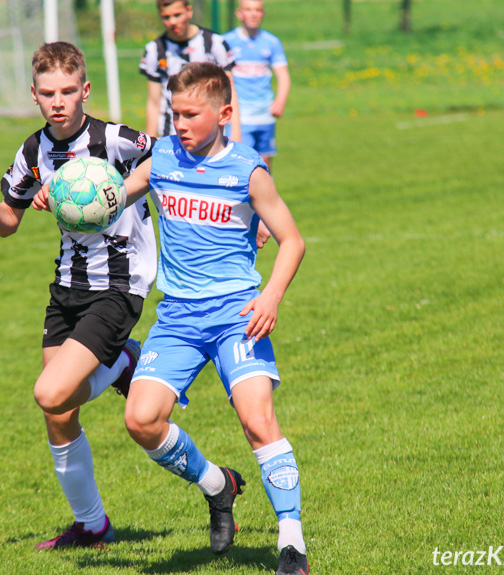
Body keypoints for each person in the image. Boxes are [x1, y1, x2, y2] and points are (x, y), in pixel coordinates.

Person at [0, 41, 157, 550]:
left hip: (120, 283)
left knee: (49, 391)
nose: (58, 101)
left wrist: (111, 187)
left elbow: (172, 157)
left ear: (85, 91)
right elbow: (8, 223)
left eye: (68, 91)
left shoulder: (115, 139)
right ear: (34, 94)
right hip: (67, 287)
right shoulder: (31, 152)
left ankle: (120, 364)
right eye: (48, 92)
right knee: (59, 411)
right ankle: (92, 526)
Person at [124, 62, 308, 574]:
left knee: (257, 420)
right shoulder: (161, 156)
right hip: (178, 318)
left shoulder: (247, 170)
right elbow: (112, 196)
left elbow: (292, 239)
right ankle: (217, 485)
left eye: (189, 114)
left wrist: (270, 295)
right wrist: (61, 198)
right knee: (140, 419)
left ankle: (291, 542)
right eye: (173, 113)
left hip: (236, 315)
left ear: (225, 113)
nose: (178, 123)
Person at [140, 0, 242, 141]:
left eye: (177, 15)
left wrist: (236, 133)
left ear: (189, 11)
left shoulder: (214, 43)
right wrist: (151, 142)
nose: (173, 22)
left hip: (210, 135)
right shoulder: (154, 50)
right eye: (166, 17)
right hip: (171, 134)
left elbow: (230, 92)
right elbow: (154, 101)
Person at [223, 0, 291, 172]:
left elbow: (283, 76)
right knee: (242, 164)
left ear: (263, 13)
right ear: (239, 13)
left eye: (257, 10)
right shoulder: (227, 41)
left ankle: (265, 198)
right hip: (240, 116)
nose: (253, 14)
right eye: (248, 10)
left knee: (265, 165)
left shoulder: (271, 42)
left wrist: (280, 101)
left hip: (265, 115)